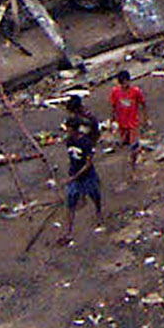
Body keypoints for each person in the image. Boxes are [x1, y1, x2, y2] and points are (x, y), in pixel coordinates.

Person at [56, 96, 104, 244]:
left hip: (85, 174)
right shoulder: (70, 140)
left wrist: (73, 176)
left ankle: (98, 213)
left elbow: (88, 163)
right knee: (70, 204)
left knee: (95, 196)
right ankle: (68, 232)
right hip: (76, 173)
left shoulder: (86, 128)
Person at [107, 70, 147, 167]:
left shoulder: (136, 92)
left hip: (133, 121)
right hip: (122, 122)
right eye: (122, 83)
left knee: (133, 144)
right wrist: (112, 120)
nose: (124, 85)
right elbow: (113, 106)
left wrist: (145, 118)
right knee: (125, 141)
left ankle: (133, 161)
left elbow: (143, 104)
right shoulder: (115, 92)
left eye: (125, 82)